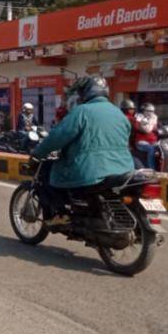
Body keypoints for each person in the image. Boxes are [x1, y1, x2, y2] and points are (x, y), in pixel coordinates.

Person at [30, 76, 135, 224]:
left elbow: (57, 137)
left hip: (90, 170)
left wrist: (37, 153)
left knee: (47, 173)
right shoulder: (119, 114)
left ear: (86, 92)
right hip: (123, 169)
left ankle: (60, 214)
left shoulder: (81, 111)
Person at [133, 102, 160, 170]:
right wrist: (146, 123)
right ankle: (151, 169)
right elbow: (138, 127)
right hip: (141, 141)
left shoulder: (154, 118)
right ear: (143, 110)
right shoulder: (139, 117)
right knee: (151, 149)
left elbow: (157, 128)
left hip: (153, 141)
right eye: (148, 111)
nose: (150, 113)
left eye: (152, 111)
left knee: (162, 148)